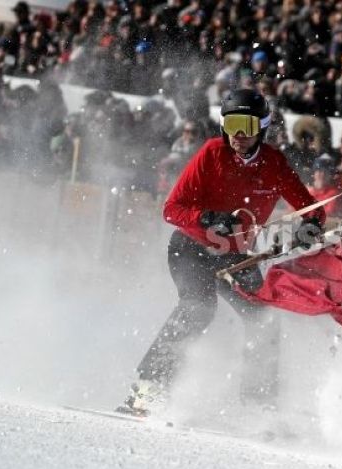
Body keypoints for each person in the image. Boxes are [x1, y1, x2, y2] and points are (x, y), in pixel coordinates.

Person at [121, 89, 325, 416]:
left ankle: (257, 403)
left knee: (263, 318)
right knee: (198, 308)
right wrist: (206, 218)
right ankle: (148, 389)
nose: (238, 135)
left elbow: (312, 208)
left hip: (237, 255)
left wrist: (311, 225)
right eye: (231, 125)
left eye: (246, 124)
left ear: (263, 126)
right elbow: (172, 208)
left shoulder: (273, 163)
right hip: (192, 247)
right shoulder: (211, 153)